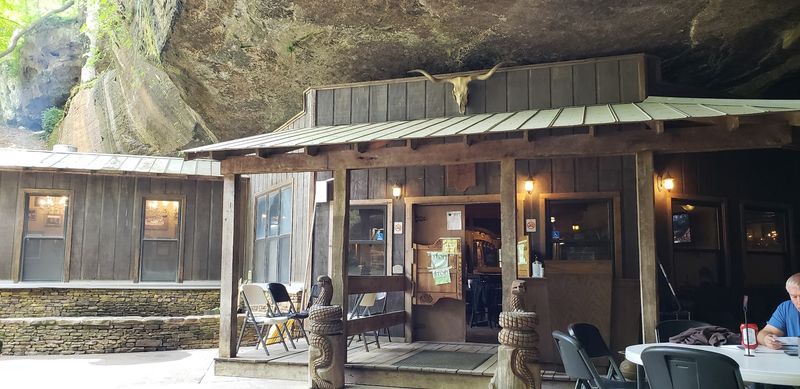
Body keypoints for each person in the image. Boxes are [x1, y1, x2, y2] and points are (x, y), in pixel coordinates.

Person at [757, 273, 800, 349]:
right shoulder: (786, 308)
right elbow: (762, 334)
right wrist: (767, 340)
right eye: (794, 296)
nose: (798, 301)